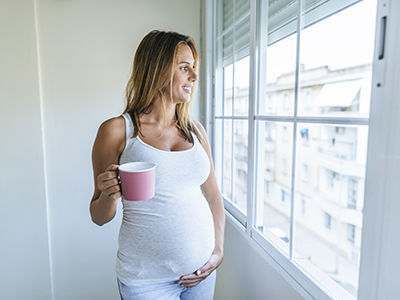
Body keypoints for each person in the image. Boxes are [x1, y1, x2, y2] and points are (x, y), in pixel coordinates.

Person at [90, 30, 225, 300]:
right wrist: (108, 195)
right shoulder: (118, 131)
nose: (194, 77)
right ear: (158, 69)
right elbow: (98, 216)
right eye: (184, 68)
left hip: (201, 274)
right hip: (146, 282)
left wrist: (218, 250)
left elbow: (212, 197)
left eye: (194, 68)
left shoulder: (196, 132)